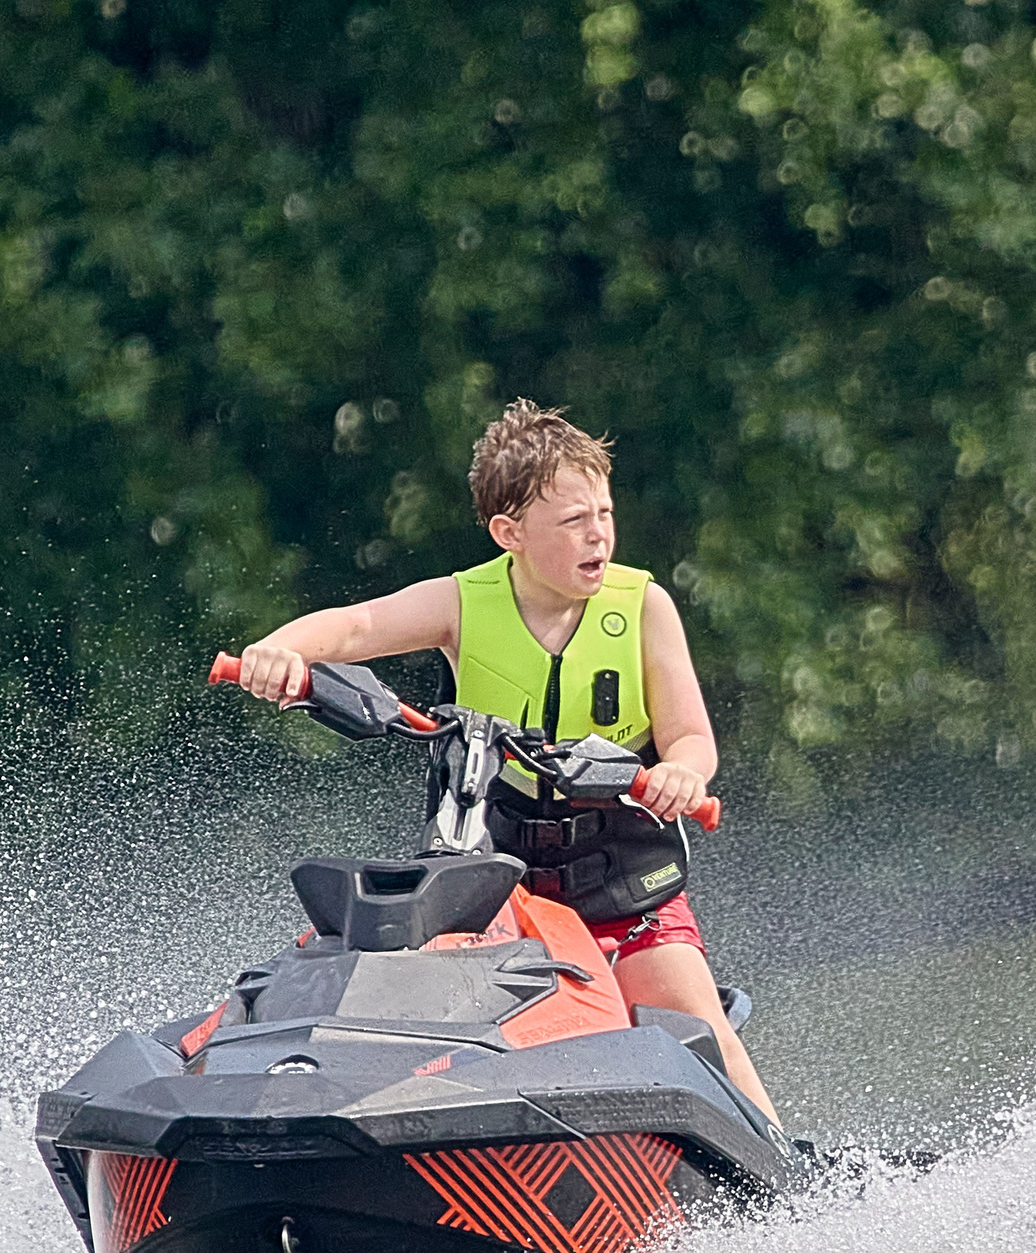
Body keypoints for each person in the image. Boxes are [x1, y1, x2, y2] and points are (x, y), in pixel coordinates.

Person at [229, 399, 780, 1126]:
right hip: (500, 892)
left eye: (604, 513)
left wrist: (683, 772)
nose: (599, 535)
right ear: (509, 533)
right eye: (574, 521)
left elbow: (692, 739)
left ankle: (787, 1193)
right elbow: (357, 625)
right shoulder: (462, 603)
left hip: (627, 888)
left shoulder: (643, 606)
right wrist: (279, 648)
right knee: (418, 1015)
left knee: (700, 1025)